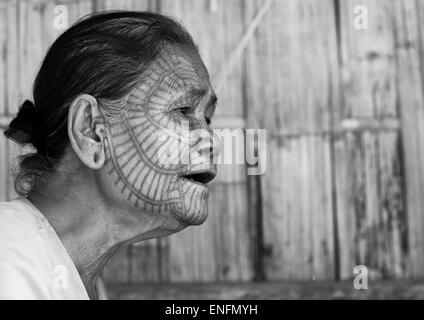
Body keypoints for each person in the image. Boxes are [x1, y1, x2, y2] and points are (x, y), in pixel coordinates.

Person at [0, 11, 218, 299]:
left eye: (208, 118)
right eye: (183, 110)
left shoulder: (78, 278)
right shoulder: (10, 266)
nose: (210, 140)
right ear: (90, 130)